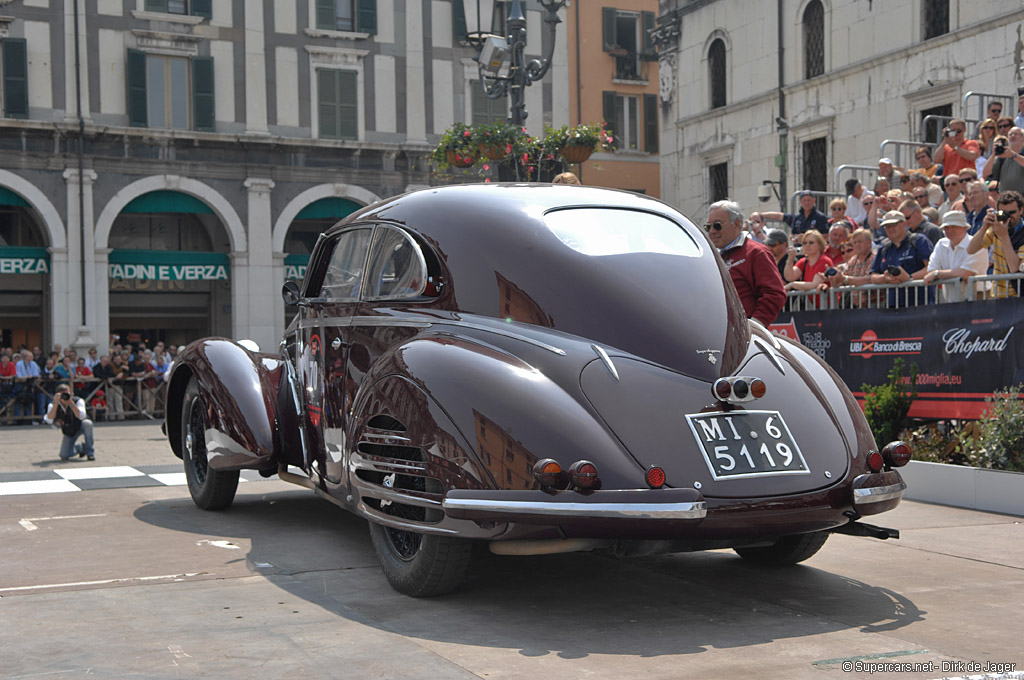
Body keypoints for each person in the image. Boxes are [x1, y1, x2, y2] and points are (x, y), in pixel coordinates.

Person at [705, 200, 786, 325]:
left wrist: (754, 327)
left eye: (717, 225)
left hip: (743, 337)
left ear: (736, 223)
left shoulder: (756, 252)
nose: (712, 231)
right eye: (708, 227)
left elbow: (774, 294)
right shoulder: (712, 256)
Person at [967, 190, 1024, 298]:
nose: (1008, 217)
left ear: (1021, 210)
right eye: (1003, 213)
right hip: (998, 296)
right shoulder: (996, 228)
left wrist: (1004, 236)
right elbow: (970, 249)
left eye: (1011, 212)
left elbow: (1014, 268)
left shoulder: (1014, 232)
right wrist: (984, 227)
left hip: (1019, 297)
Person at [870, 210, 935, 306]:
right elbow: (873, 276)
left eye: (894, 225)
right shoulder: (883, 248)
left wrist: (909, 278)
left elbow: (931, 268)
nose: (890, 229)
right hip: (893, 307)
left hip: (921, 305)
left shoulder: (919, 241)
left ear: (905, 224)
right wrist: (885, 278)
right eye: (887, 226)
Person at [922, 211, 989, 303]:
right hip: (953, 303)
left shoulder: (976, 244)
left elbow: (965, 273)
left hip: (980, 299)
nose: (949, 230)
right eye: (946, 227)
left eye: (954, 226)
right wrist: (956, 274)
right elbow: (931, 270)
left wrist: (937, 274)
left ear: (965, 227)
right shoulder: (941, 244)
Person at [824, 228, 877, 307]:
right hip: (855, 307)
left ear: (869, 243)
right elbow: (842, 282)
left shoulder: (875, 258)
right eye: (855, 242)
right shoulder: (853, 260)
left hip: (874, 306)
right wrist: (834, 279)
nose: (857, 245)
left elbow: (869, 280)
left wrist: (844, 279)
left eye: (860, 241)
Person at [42, 383, 95, 461]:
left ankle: (90, 452)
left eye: (67, 394)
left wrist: (71, 403)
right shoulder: (52, 404)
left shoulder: (78, 401)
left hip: (80, 425)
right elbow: (49, 420)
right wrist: (56, 403)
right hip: (69, 430)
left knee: (88, 423)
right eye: (63, 395)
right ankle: (81, 447)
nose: (65, 396)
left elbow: (81, 416)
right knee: (64, 455)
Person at [751, 190, 829, 236]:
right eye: (804, 200)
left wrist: (807, 237)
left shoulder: (821, 217)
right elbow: (779, 216)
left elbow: (826, 236)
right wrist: (760, 215)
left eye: (809, 200)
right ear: (800, 202)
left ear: (814, 201)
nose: (807, 203)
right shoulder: (796, 218)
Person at [983, 127, 1024, 195]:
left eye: (1016, 134)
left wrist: (1013, 155)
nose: (1013, 136)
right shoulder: (1002, 156)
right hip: (1004, 197)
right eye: (1010, 134)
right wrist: (993, 155)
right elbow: (986, 173)